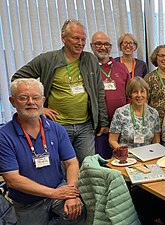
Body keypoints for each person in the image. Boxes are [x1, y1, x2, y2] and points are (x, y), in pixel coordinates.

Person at [12, 19, 109, 164]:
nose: (80, 43)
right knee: (62, 167)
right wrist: (40, 108)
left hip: (85, 126)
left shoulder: (90, 60)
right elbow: (17, 78)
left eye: (83, 39)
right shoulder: (47, 59)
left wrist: (103, 121)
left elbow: (99, 91)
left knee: (89, 166)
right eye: (76, 38)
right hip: (58, 126)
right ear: (64, 38)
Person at [0, 78, 85, 225]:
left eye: (36, 97)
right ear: (12, 101)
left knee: (77, 212)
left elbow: (71, 163)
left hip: (59, 191)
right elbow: (12, 179)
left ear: (43, 100)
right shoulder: (4, 136)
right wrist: (53, 193)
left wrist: (71, 194)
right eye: (23, 98)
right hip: (28, 202)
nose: (31, 102)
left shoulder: (56, 129)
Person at [90, 31, 131, 159]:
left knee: (122, 160)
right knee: (103, 162)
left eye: (106, 44)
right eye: (98, 44)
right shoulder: (87, 68)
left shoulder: (121, 67)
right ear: (91, 46)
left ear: (111, 47)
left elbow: (129, 94)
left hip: (121, 125)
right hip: (98, 128)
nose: (103, 47)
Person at [109, 77, 160, 149]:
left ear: (147, 93)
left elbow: (156, 141)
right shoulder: (120, 113)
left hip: (147, 156)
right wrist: (123, 153)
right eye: (135, 92)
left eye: (142, 91)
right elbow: (112, 140)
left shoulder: (154, 113)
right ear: (130, 94)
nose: (139, 95)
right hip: (126, 156)